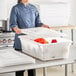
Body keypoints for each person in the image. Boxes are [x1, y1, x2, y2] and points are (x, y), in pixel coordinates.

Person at [10, 0, 50, 76]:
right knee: (20, 68)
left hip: (31, 41)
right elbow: (13, 23)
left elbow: (38, 22)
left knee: (32, 67)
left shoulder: (33, 8)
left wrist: (43, 25)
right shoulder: (15, 8)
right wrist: (16, 29)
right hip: (20, 41)